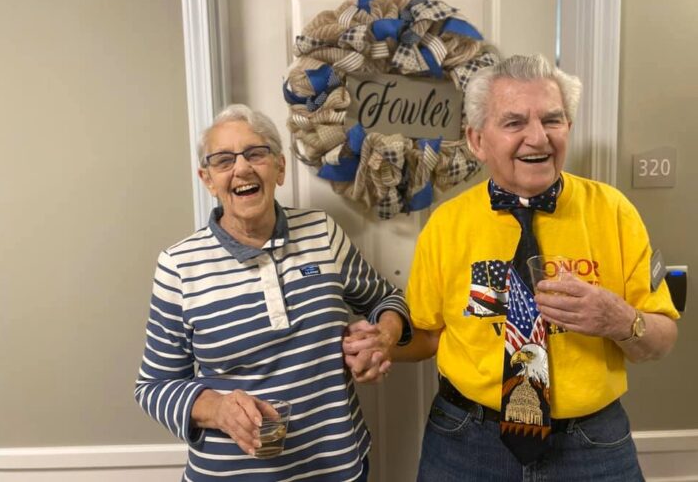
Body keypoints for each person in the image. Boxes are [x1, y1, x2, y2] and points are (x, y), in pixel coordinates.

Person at [344, 54, 679, 481]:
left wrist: (619, 319)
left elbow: (663, 337)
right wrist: (380, 343)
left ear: (568, 129)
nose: (538, 138)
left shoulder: (614, 212)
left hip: (592, 443)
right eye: (515, 122)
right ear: (477, 139)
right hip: (466, 441)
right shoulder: (448, 224)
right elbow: (428, 335)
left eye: (552, 120)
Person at [134, 104, 411, 482]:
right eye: (223, 160)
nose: (242, 168)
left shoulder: (322, 233)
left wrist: (385, 335)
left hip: (339, 469)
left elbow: (387, 299)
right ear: (208, 179)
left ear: (279, 168)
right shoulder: (179, 266)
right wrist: (216, 408)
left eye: (255, 153)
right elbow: (154, 386)